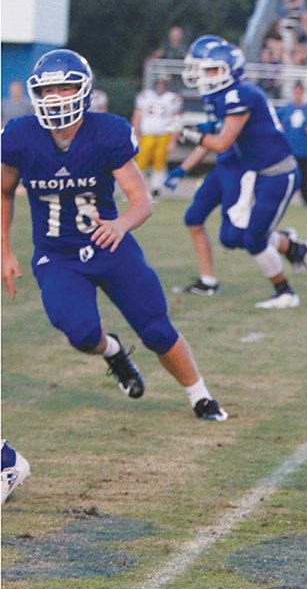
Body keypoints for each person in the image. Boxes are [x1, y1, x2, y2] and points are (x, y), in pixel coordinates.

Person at [1, 49, 227, 421]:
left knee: (156, 328)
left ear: (84, 91)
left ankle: (200, 395)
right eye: (49, 90)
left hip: (109, 245)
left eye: (65, 87)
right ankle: (113, 352)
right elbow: (4, 191)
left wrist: (120, 224)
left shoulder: (107, 132)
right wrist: (4, 250)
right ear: (36, 95)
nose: (57, 97)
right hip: (57, 255)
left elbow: (141, 201)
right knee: (81, 332)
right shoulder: (20, 136)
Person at [165, 37, 307, 306]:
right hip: (258, 173)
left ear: (230, 70)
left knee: (252, 239)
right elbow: (217, 134)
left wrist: (191, 134)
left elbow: (222, 142)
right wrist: (185, 163)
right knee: (240, 237)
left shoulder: (240, 95)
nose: (204, 75)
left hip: (278, 174)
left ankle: (285, 291)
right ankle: (294, 250)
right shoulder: (222, 95)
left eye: (212, 70)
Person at [131, 74, 183, 200]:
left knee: (159, 163)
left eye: (163, 83)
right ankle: (135, 190)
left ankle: (155, 190)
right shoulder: (145, 96)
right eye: (159, 83)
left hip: (164, 134)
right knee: (140, 162)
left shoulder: (173, 98)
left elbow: (176, 119)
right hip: (146, 134)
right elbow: (137, 115)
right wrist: (135, 133)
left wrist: (173, 139)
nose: (160, 86)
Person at [276, 81, 307, 207]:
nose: (297, 95)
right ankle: (281, 200)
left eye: (300, 92)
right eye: (296, 92)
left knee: (305, 178)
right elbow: (275, 120)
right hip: (288, 150)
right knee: (285, 177)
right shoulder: (286, 108)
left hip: (305, 150)